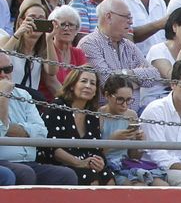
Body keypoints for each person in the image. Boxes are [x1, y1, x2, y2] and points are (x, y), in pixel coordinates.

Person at [0, 51, 78, 184]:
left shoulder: (23, 95)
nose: (3, 75)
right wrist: (3, 96)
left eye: (7, 69)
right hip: (4, 162)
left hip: (29, 162)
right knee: (25, 173)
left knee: (67, 175)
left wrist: (10, 128)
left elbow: (41, 132)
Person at [42, 65, 113, 184]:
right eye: (84, 81)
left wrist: (99, 161)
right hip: (60, 164)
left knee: (108, 177)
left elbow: (96, 149)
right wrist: (80, 163)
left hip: (86, 164)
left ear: (95, 91)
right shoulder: (57, 107)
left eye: (92, 83)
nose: (88, 86)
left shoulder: (92, 114)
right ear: (72, 85)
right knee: (91, 177)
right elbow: (53, 149)